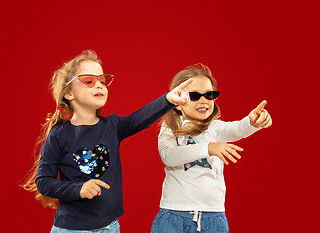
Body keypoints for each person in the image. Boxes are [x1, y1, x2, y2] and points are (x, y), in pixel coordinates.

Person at [21, 50, 192, 233]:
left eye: (102, 81)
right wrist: (79, 189)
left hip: (110, 227)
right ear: (69, 93)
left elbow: (141, 118)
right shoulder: (58, 135)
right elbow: (44, 182)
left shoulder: (113, 126)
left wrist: (168, 100)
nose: (99, 86)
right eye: (89, 81)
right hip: (71, 229)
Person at [151, 63, 272, 233]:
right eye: (194, 96)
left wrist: (252, 122)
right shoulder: (170, 127)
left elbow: (237, 129)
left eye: (209, 95)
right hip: (174, 214)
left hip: (213, 217)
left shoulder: (215, 128)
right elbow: (169, 156)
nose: (203, 100)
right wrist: (208, 148)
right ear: (177, 102)